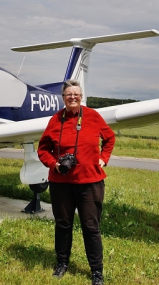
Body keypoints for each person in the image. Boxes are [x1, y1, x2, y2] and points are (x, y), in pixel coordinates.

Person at [37, 80, 115, 285]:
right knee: (63, 225)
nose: (72, 97)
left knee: (91, 227)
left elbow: (110, 138)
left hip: (90, 182)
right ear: (63, 98)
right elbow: (43, 149)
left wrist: (103, 159)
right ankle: (62, 263)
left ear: (81, 97)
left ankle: (97, 272)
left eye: (76, 94)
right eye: (68, 95)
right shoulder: (55, 120)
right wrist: (54, 164)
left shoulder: (93, 116)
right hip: (61, 183)